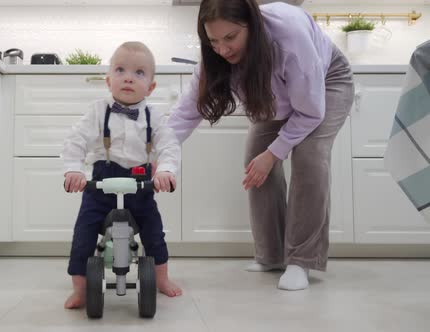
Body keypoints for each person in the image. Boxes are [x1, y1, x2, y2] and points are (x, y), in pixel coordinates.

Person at [168, 0, 354, 290]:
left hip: (325, 84)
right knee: (256, 159)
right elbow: (187, 111)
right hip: (274, 93)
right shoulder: (217, 54)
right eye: (213, 40)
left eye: (230, 37)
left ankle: (301, 261)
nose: (223, 49)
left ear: (252, 25)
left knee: (308, 157)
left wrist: (275, 153)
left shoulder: (289, 39)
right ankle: (271, 255)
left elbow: (310, 112)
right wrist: (157, 151)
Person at [62, 41, 183, 309]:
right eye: (120, 70)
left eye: (139, 73)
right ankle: (80, 287)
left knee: (154, 231)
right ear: (108, 80)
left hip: (140, 184)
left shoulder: (155, 115)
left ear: (150, 87)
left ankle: (161, 277)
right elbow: (76, 140)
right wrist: (73, 169)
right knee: (84, 232)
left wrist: (165, 170)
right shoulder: (98, 110)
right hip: (101, 184)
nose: (128, 77)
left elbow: (169, 145)